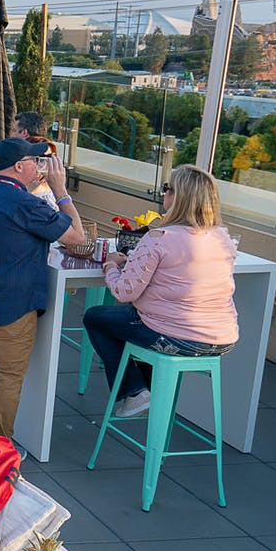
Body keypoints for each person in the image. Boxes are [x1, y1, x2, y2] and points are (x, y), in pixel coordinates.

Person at [0, 137, 86, 438]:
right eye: (35, 161)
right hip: (12, 305)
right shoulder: (27, 205)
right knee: (5, 377)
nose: (39, 166)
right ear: (20, 166)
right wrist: (61, 192)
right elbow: (76, 236)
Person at [84, 164, 240, 418]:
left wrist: (111, 265)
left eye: (167, 189)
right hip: (222, 338)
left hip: (176, 336)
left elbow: (124, 292)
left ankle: (135, 393)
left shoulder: (160, 237)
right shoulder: (221, 237)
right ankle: (148, 391)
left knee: (96, 317)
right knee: (137, 322)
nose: (163, 194)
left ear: (179, 198)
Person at [14, 111, 57, 202]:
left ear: (24, 133)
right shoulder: (50, 150)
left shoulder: (23, 154)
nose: (12, 135)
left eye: (14, 131)